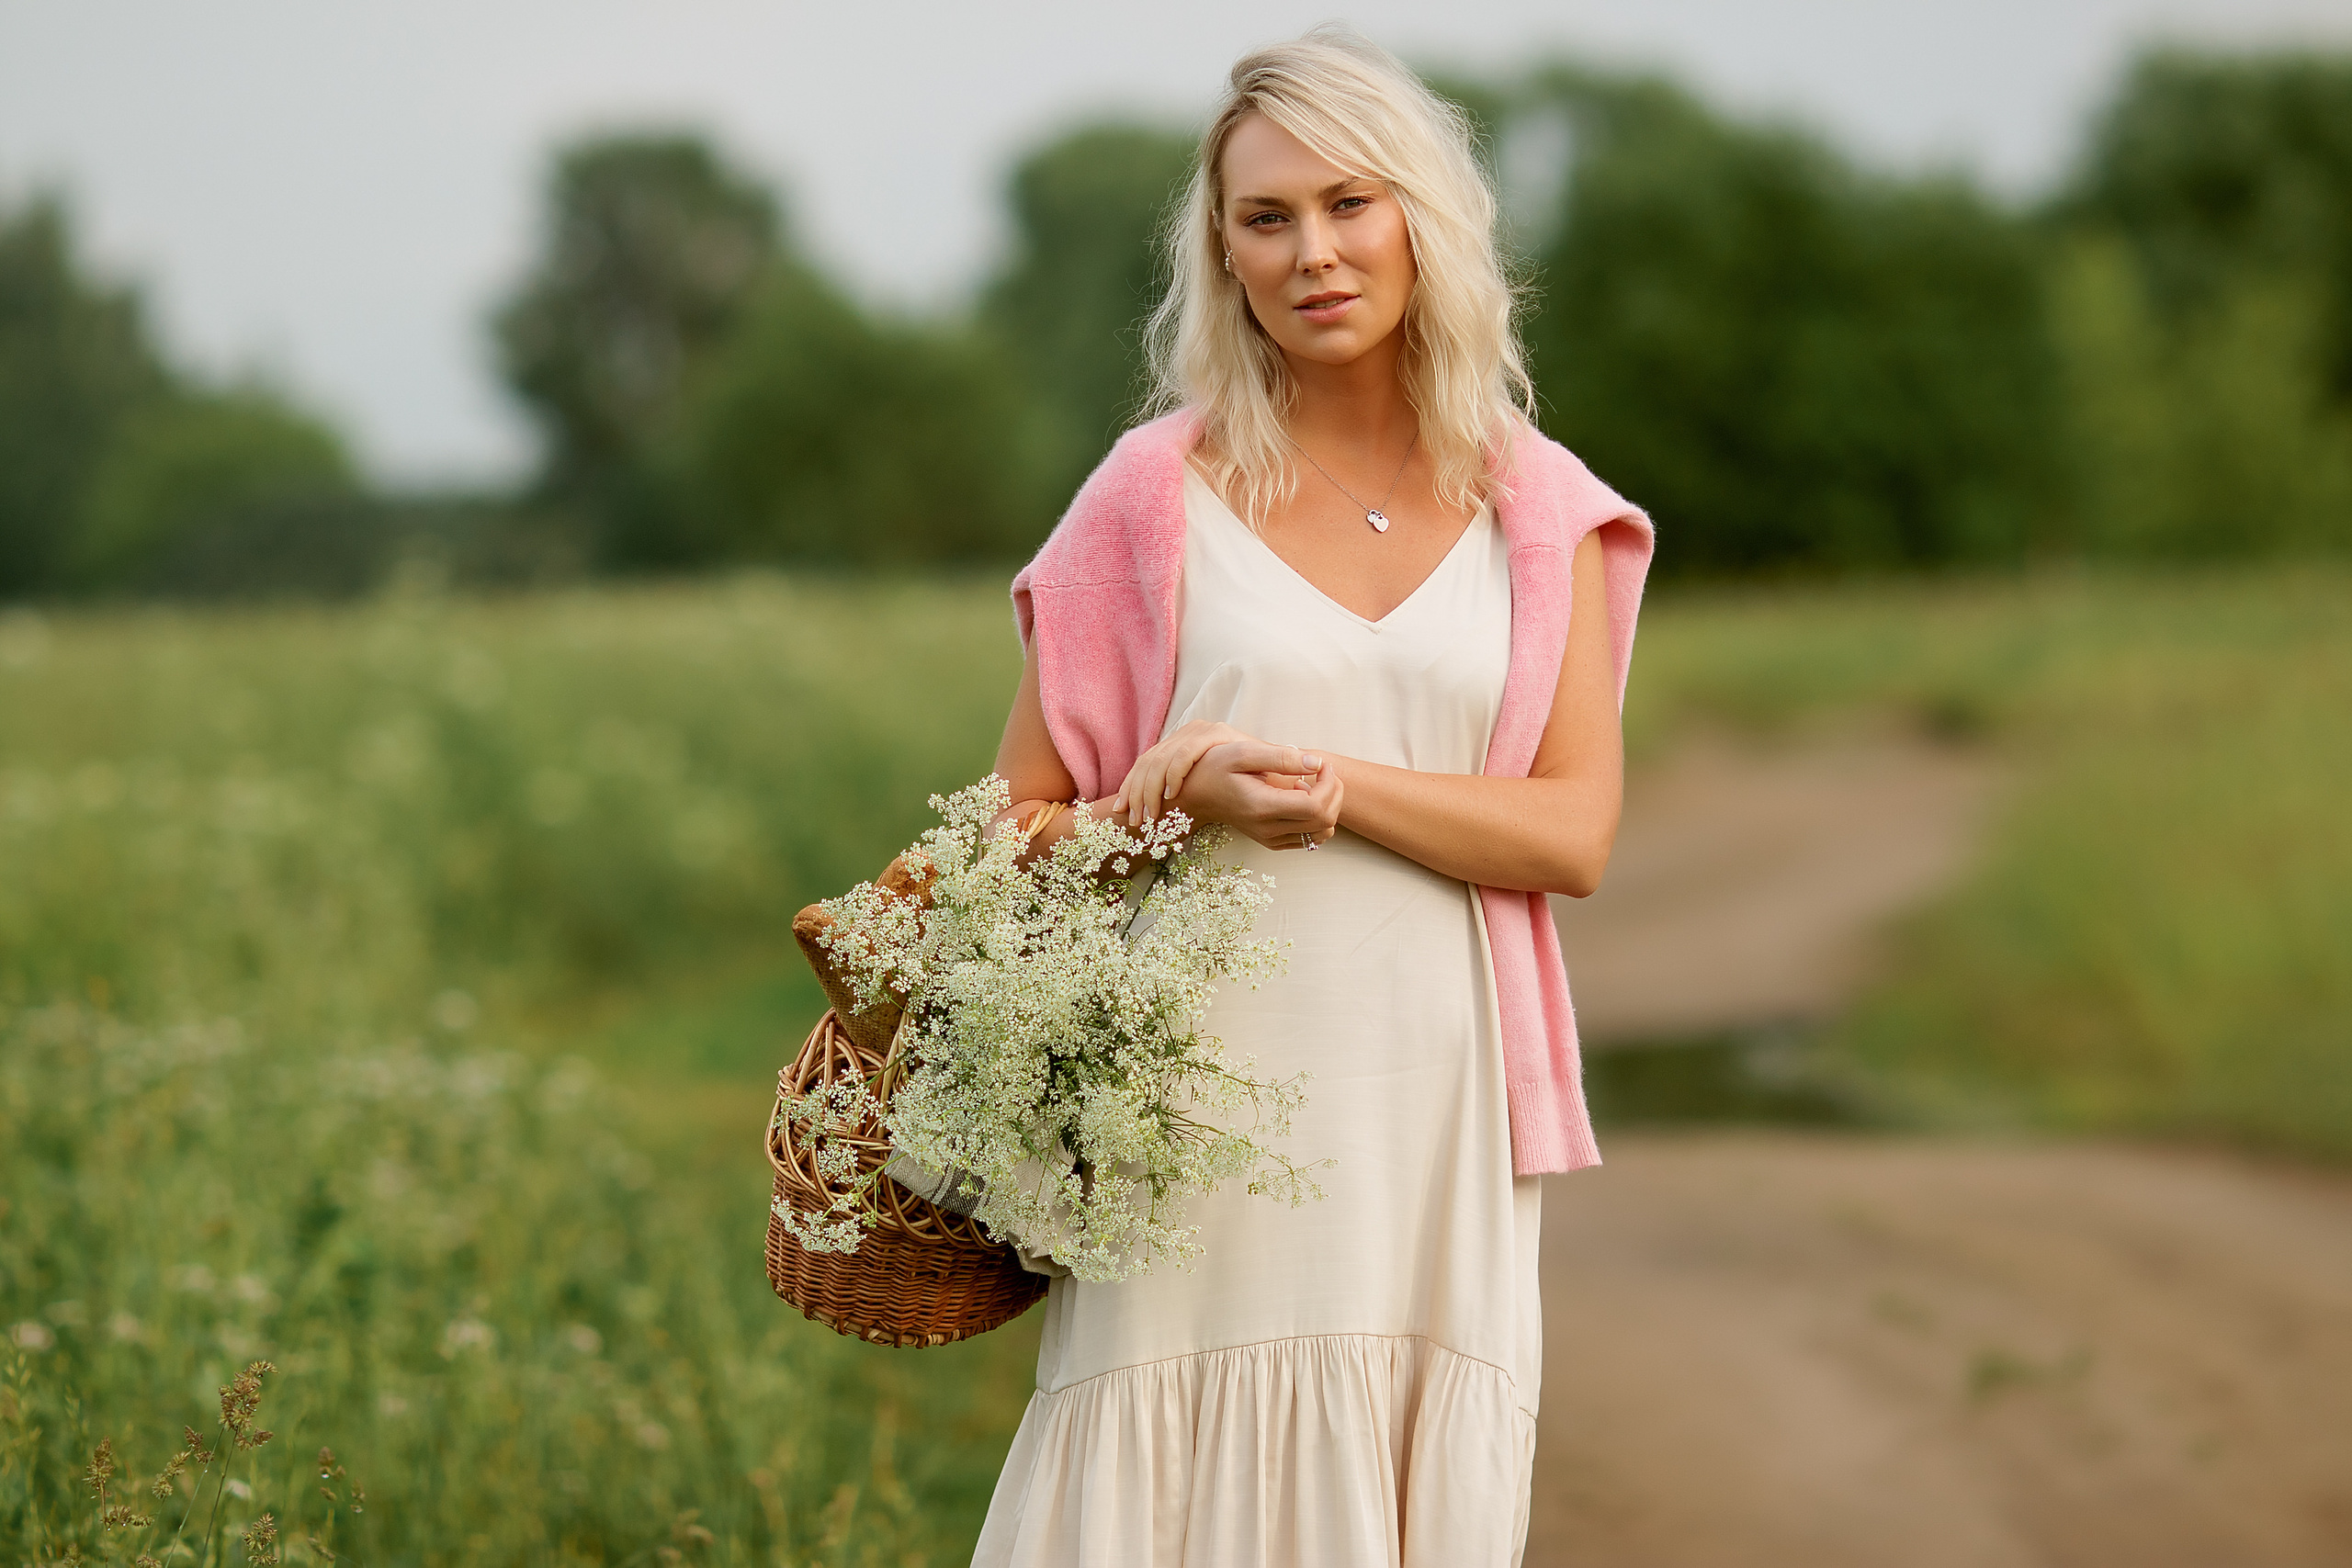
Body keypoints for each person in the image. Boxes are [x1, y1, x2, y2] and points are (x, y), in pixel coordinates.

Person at [976, 27, 1653, 1568]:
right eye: (1266, 218)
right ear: (1223, 253)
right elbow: (1007, 837)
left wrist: (1331, 784)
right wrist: (1184, 803)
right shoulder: (1150, 496)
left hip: (1438, 1108)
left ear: (1424, 218)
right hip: (1188, 1110)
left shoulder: (1539, 506)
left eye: (1351, 204)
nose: (1314, 253)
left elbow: (1573, 833)